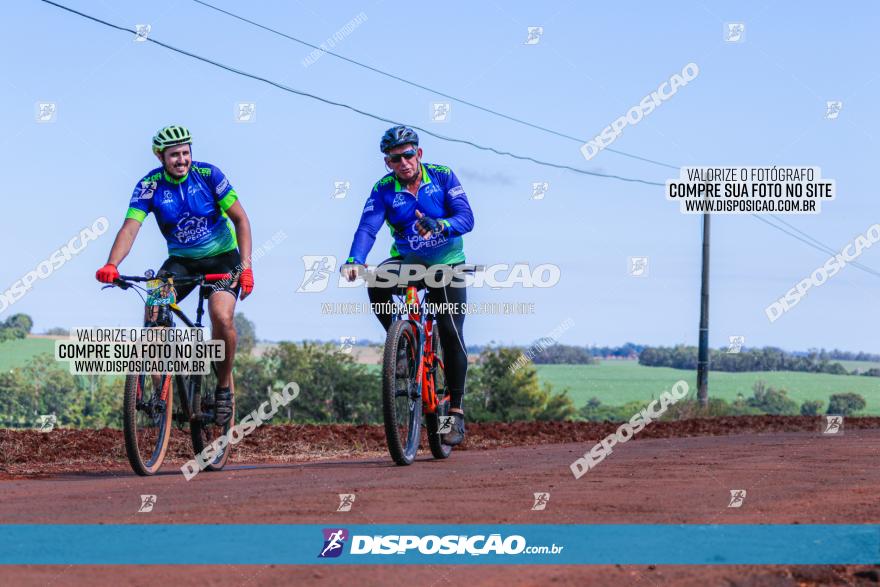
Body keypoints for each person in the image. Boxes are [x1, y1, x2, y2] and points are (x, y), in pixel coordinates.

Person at [95, 125, 253, 426]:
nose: (182, 159)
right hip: (181, 262)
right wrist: (112, 264)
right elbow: (130, 228)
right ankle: (161, 396)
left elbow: (241, 220)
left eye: (185, 153)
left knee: (220, 314)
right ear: (160, 157)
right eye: (174, 155)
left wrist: (246, 267)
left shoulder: (209, 176)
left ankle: (222, 390)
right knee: (154, 309)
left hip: (222, 259)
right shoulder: (149, 186)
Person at [343, 125, 474, 445]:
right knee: (377, 281)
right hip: (410, 263)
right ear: (387, 163)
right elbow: (367, 228)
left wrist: (440, 224)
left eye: (408, 155)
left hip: (448, 264)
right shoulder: (384, 189)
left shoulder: (442, 176)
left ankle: (453, 413)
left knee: (449, 329)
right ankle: (400, 344)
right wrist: (355, 259)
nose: (402, 162)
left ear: (419, 154)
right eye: (394, 159)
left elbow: (466, 218)